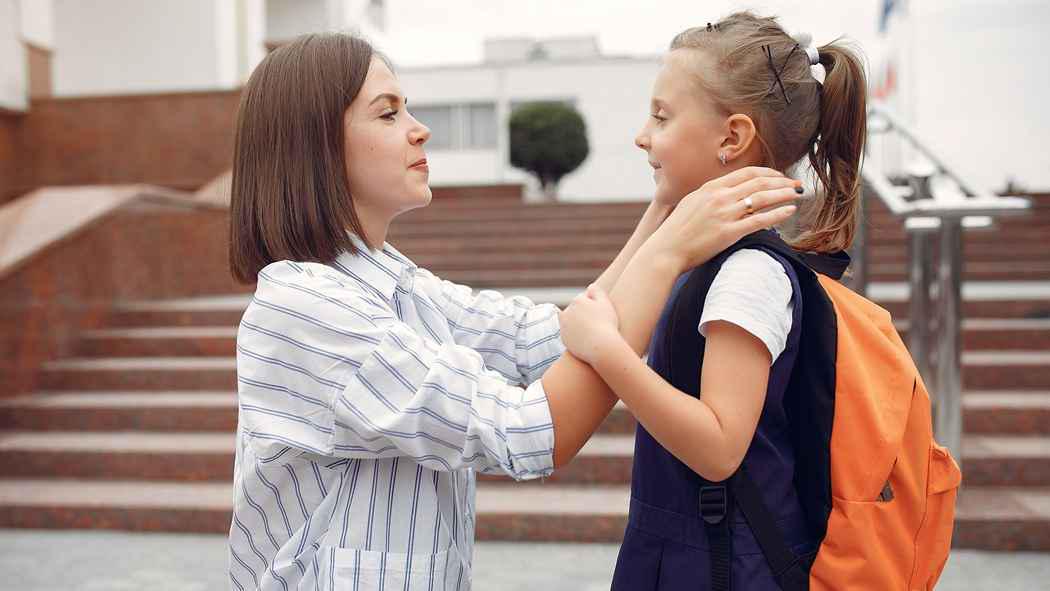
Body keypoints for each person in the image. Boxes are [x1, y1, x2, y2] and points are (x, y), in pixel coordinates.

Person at [224, 31, 800, 590]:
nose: (419, 131)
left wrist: (664, 213)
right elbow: (526, 431)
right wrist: (669, 251)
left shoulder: (398, 284)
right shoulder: (304, 310)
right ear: (316, 144)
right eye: (388, 113)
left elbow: (546, 341)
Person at [558, 11, 867, 590]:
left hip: (723, 564)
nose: (642, 135)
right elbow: (606, 304)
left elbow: (720, 446)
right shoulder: (707, 259)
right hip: (693, 554)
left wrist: (607, 352)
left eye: (662, 116)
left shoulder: (748, 275)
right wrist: (662, 209)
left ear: (733, 137)